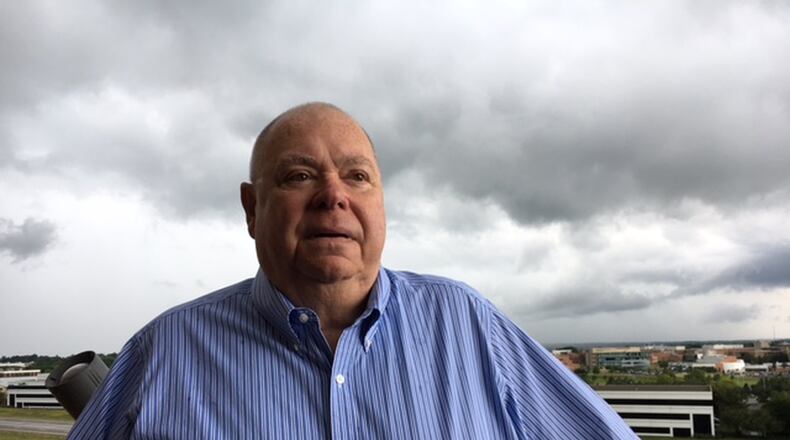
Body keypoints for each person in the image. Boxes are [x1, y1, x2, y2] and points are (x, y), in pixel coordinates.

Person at [69, 103, 637, 439]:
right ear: (251, 208)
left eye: (357, 176)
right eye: (299, 176)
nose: (333, 197)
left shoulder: (468, 325)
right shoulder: (164, 353)